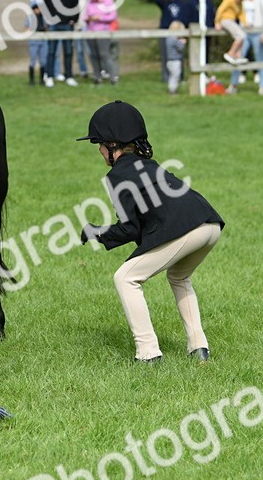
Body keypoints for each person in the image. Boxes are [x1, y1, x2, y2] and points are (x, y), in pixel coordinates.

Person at [79, 101, 225, 363]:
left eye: (99, 144)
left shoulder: (118, 175)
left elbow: (129, 228)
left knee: (126, 278)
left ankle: (148, 353)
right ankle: (199, 348)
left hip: (186, 229)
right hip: (210, 224)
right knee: (179, 276)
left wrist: (97, 232)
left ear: (112, 145)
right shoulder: (148, 165)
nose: (98, 150)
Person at [83, 0, 117, 84]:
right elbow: (85, 16)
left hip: (103, 31)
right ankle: (97, 77)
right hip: (90, 31)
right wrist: (88, 18)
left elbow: (113, 16)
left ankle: (112, 76)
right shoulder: (89, 2)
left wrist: (100, 18)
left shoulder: (108, 1)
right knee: (94, 55)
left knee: (104, 54)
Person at [154, 0, 187, 83]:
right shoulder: (164, 3)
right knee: (165, 55)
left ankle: (180, 77)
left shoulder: (181, 3)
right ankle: (166, 77)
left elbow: (184, 16)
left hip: (178, 32)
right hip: (166, 31)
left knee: (179, 55)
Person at [215, 0, 249, 68]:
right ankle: (230, 53)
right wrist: (217, 22)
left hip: (232, 20)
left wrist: (245, 23)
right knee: (240, 36)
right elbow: (220, 10)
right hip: (225, 19)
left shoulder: (239, 2)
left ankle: (237, 55)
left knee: (243, 36)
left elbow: (241, 13)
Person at [26, 0, 47, 85]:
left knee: (43, 61)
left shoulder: (44, 18)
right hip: (34, 42)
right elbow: (26, 28)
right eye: (36, 8)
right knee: (32, 61)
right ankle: (32, 80)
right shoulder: (30, 18)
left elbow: (47, 28)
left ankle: (42, 80)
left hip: (43, 41)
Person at [165, 22, 186, 95]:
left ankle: (172, 88)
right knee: (176, 76)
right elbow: (180, 48)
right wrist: (183, 42)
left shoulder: (168, 38)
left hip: (169, 61)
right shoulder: (174, 40)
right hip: (175, 61)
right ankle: (172, 90)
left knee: (172, 75)